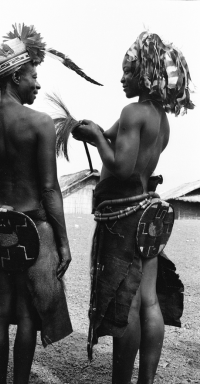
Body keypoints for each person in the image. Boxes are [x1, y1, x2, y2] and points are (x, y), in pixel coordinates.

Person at [73, 31, 194, 384]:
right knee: (149, 301)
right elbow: (113, 134)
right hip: (149, 216)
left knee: (126, 304)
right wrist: (93, 129)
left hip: (125, 220)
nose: (121, 78)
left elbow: (122, 167)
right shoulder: (158, 116)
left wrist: (96, 139)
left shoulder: (132, 111)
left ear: (143, 74)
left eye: (127, 72)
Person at [0, 24, 77, 384]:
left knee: (1, 312)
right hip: (32, 228)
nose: (37, 84)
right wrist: (62, 243)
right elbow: (49, 189)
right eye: (33, 76)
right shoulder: (39, 122)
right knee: (29, 314)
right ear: (16, 76)